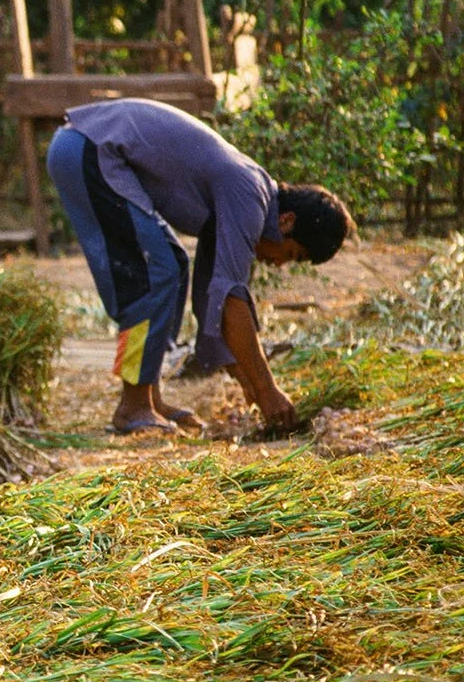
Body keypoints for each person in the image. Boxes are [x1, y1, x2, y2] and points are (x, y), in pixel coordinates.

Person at [46, 98, 353, 435]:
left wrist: (247, 382)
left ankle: (150, 399)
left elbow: (214, 301)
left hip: (89, 147)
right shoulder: (249, 195)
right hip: (89, 147)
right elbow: (233, 301)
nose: (279, 264)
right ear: (287, 221)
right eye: (291, 255)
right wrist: (267, 390)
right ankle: (133, 405)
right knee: (158, 273)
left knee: (171, 269)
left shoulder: (249, 198)